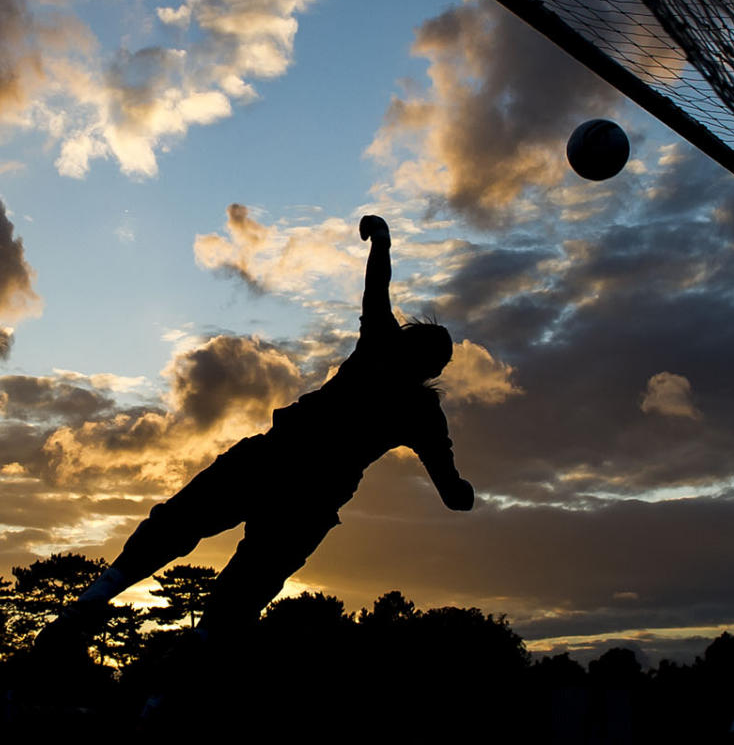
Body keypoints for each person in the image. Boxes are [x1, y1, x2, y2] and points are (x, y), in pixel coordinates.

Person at [40, 214, 473, 649]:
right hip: (310, 502)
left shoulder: (383, 347)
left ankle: (99, 597)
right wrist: (461, 492)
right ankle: (177, 675)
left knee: (178, 525)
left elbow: (377, 286)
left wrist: (381, 239)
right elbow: (451, 487)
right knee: (236, 593)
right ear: (434, 369)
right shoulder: (421, 410)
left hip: (273, 460)